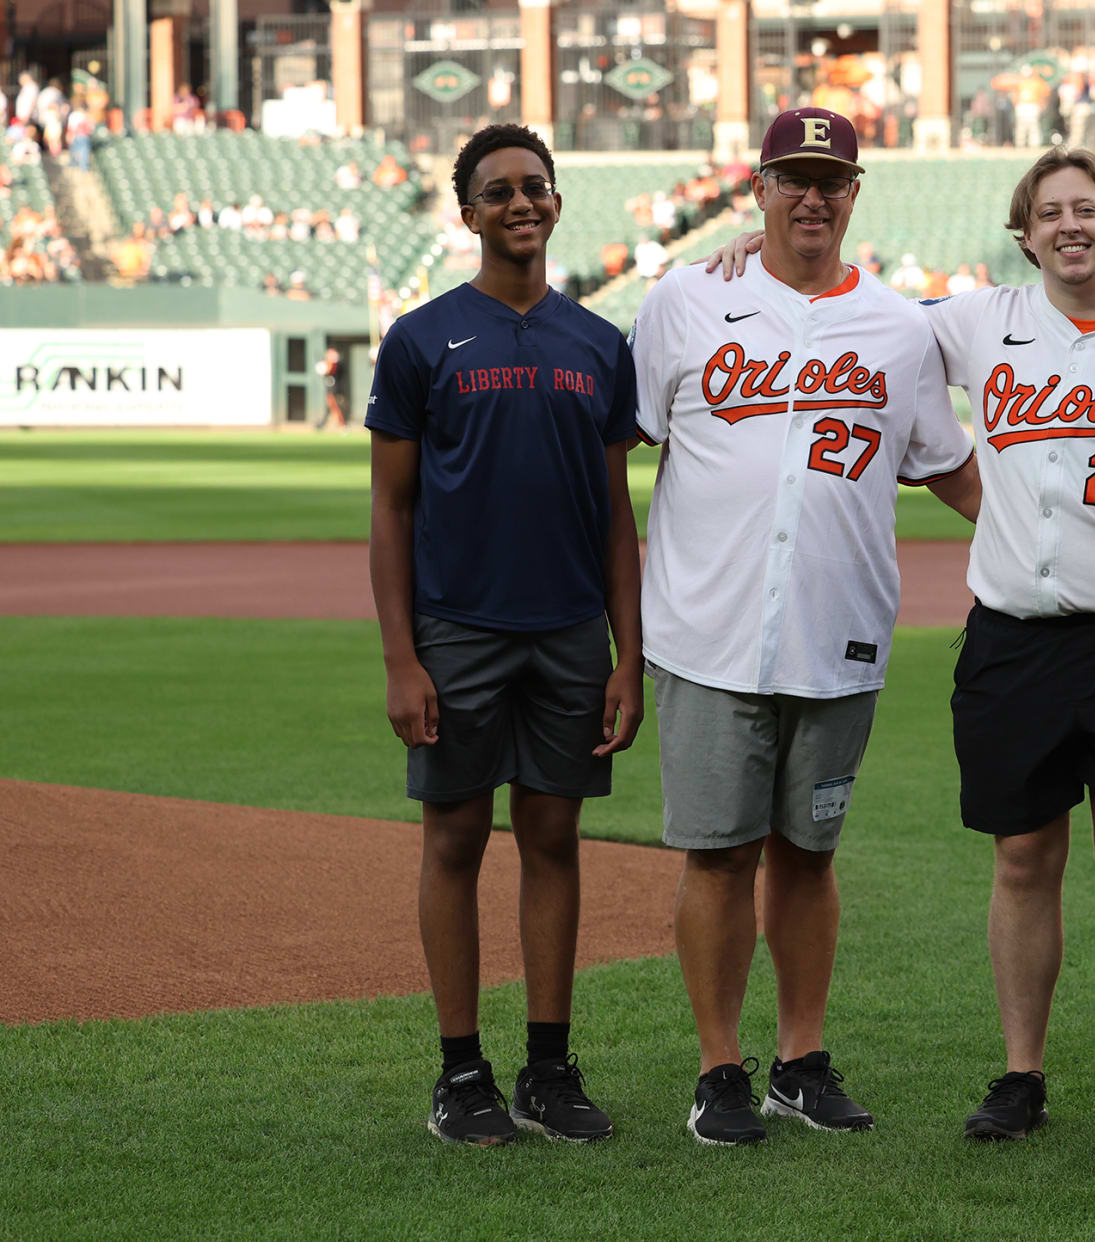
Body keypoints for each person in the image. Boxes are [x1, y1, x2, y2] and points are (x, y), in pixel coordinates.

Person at [702, 146, 1095, 1143]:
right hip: (1016, 636)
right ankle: (1020, 1073)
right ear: (1024, 235)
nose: (1071, 224)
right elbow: (853, 314)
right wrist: (759, 255)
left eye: (1089, 207)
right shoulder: (977, 321)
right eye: (1049, 212)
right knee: (1022, 857)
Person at [630, 106, 981, 1147]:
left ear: (856, 191)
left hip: (840, 635)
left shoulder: (898, 327)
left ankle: (800, 1057)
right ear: (761, 188)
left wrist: (1092, 543)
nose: (813, 195)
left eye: (832, 179)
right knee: (717, 857)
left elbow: (951, 469)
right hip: (705, 632)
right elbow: (620, 447)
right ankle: (718, 1068)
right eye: (795, 177)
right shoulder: (684, 303)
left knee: (810, 856)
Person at [365, 122, 643, 1149]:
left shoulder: (598, 344)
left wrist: (630, 655)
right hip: (458, 630)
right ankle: (460, 1072)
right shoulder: (422, 338)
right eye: (499, 192)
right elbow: (389, 513)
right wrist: (402, 657)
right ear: (468, 211)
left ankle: (548, 1068)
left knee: (556, 838)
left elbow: (618, 514)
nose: (521, 204)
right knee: (452, 838)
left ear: (559, 204)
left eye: (537, 187)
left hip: (569, 631)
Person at [318, 345, 348, 430]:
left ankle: (342, 424)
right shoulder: (327, 363)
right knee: (331, 406)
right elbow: (324, 371)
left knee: (336, 407)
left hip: (336, 389)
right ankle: (323, 424)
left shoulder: (337, 364)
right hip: (329, 389)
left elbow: (334, 370)